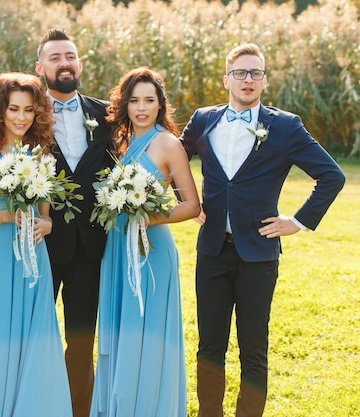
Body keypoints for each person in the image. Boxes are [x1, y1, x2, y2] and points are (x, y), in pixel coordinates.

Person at [180, 43, 346, 417]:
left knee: (253, 348)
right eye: (240, 72)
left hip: (258, 255)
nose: (248, 79)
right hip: (211, 253)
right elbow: (172, 159)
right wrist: (187, 201)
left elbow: (331, 175)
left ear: (265, 80)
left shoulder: (284, 126)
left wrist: (297, 221)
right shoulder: (204, 119)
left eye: (256, 72)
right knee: (209, 348)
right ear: (227, 79)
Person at [0, 72, 72, 417]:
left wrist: (46, 225)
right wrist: (7, 217)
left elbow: (46, 217)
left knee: (34, 334)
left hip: (33, 257)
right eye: (13, 109)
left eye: (29, 110)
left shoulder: (42, 158)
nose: (21, 117)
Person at [89, 67, 200, 417]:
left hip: (152, 252)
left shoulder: (168, 143)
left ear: (159, 104)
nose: (141, 107)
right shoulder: (117, 144)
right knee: (121, 331)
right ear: (124, 104)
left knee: (148, 332)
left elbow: (190, 205)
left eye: (149, 100)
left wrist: (149, 216)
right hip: (117, 250)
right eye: (134, 100)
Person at [35, 28, 114, 417]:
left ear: (79, 63)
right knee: (34, 335)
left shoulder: (105, 114)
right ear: (40, 67)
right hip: (37, 244)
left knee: (81, 338)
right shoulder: (25, 113)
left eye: (70, 56)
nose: (64, 63)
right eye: (55, 57)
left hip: (90, 246)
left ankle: (78, 410)